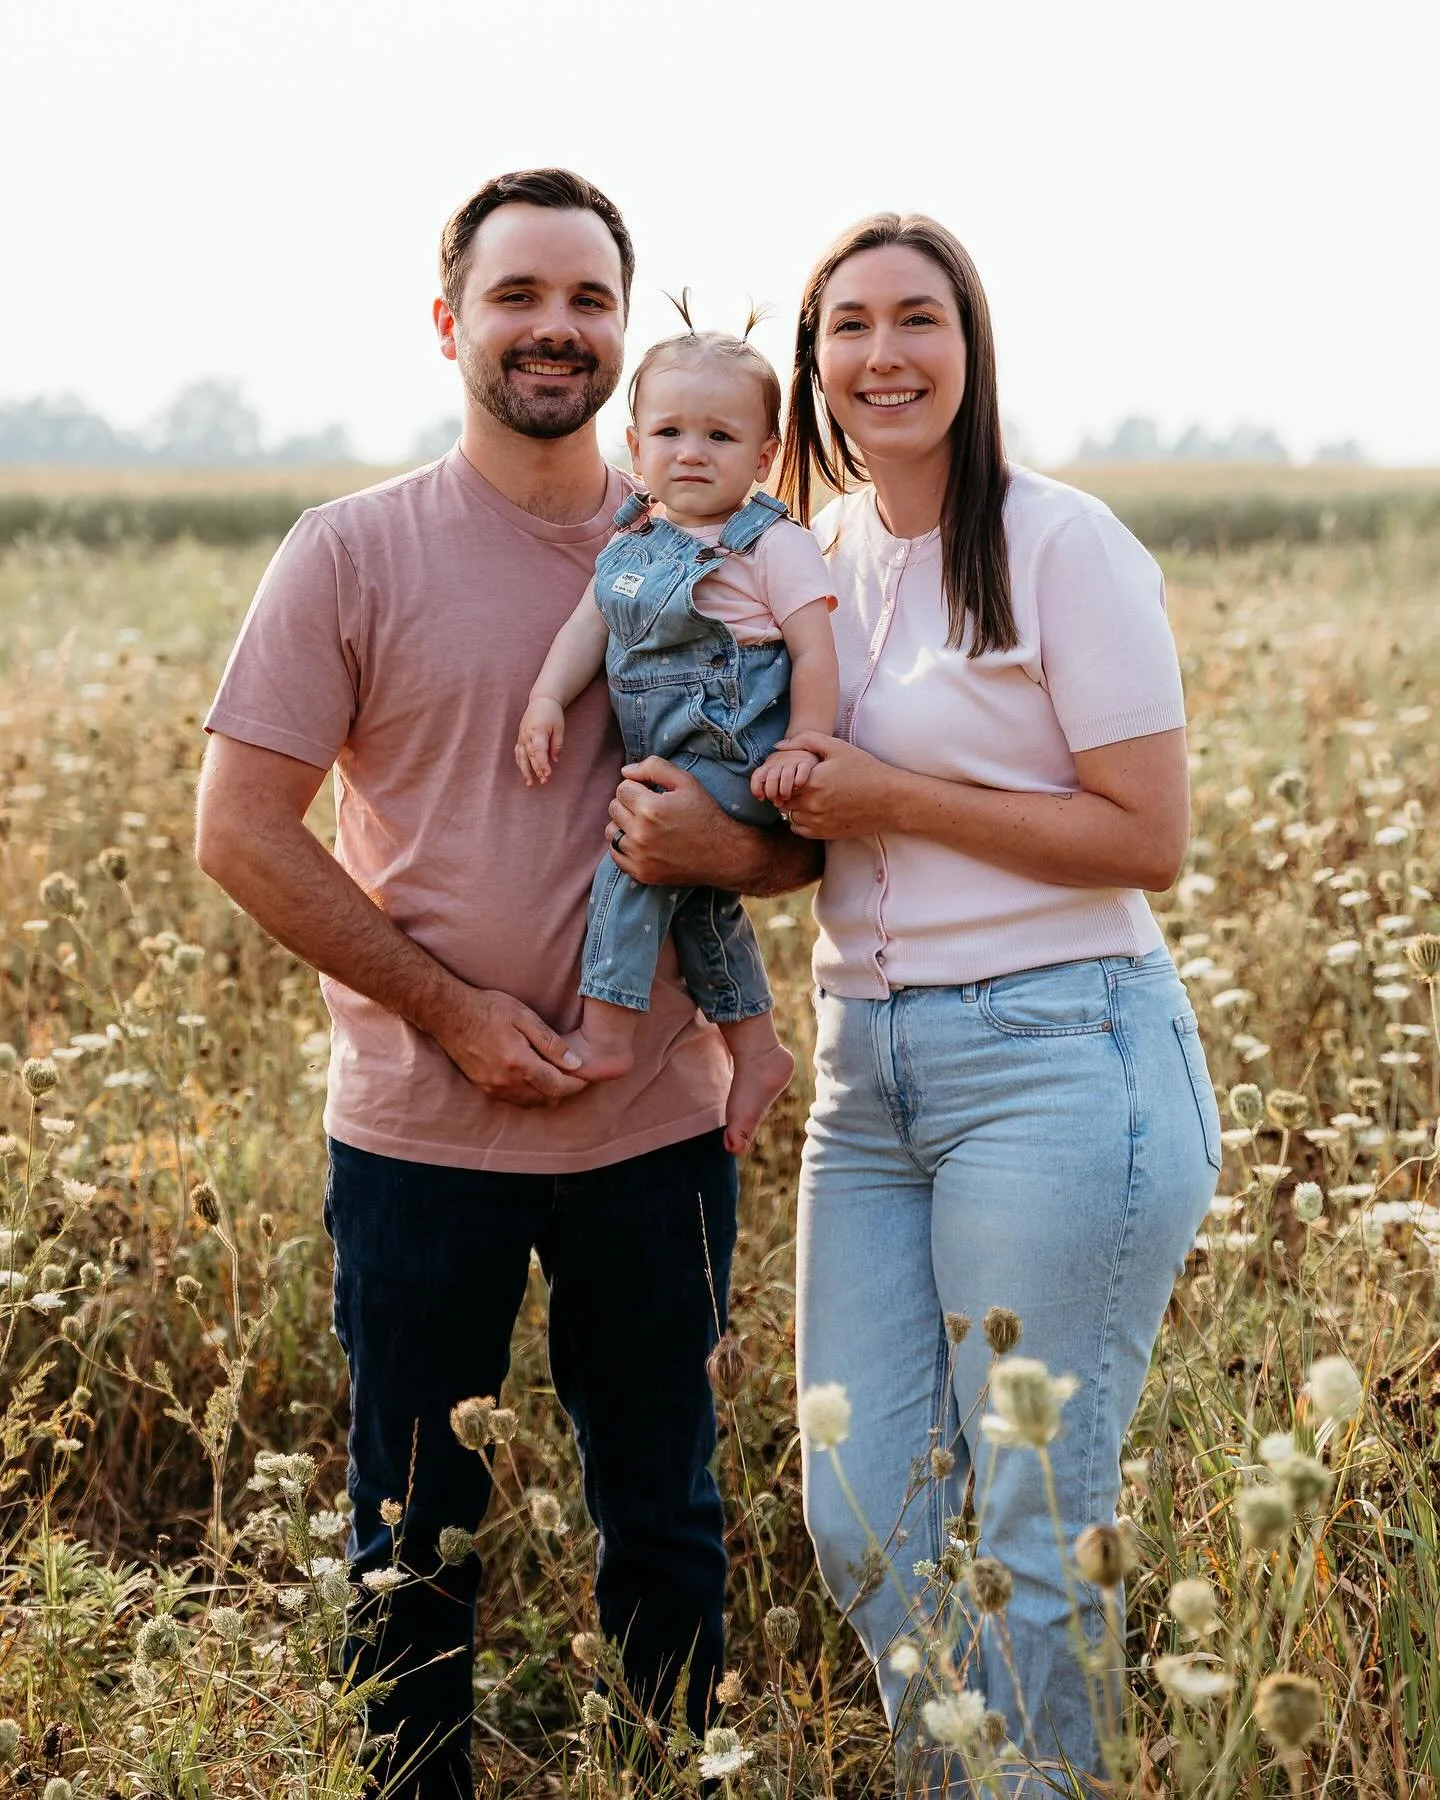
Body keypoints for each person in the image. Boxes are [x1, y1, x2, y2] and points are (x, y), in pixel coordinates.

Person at [193, 168, 816, 1800]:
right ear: (449, 321)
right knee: (414, 1534)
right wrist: (452, 1013)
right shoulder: (350, 551)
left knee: (668, 1514)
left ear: (626, 324)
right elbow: (241, 832)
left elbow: (797, 834)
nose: (557, 328)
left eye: (589, 298)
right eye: (521, 295)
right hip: (418, 1136)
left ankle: (669, 1773)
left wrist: (727, 856)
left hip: (655, 1129)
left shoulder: (713, 539)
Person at [771, 213, 1223, 1792]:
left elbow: (1146, 835)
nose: (881, 356)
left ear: (972, 349)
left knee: (1037, 1510)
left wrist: (895, 793)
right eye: (848, 327)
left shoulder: (1058, 541)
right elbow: (807, 805)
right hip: (863, 1074)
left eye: (918, 321)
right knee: (860, 1500)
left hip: (1060, 1055)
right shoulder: (809, 556)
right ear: (812, 360)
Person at [514, 315, 839, 1154]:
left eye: (721, 435)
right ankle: (756, 1050)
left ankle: (608, 1028)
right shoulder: (634, 540)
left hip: (742, 752)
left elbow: (813, 653)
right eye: (669, 431)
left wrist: (804, 742)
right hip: (670, 748)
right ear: (633, 441)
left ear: (764, 455)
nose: (692, 451)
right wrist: (548, 698)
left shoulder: (774, 544)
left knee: (635, 857)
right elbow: (587, 629)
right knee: (696, 896)